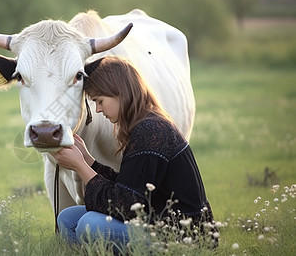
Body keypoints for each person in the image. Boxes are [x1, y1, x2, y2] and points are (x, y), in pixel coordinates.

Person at [52, 56, 215, 249]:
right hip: (153, 220)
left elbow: (126, 206)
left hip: (183, 237)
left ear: (120, 92)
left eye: (100, 101)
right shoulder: (145, 124)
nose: (97, 109)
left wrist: (80, 167)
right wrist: (88, 160)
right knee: (67, 218)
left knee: (90, 224)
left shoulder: (150, 130)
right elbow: (130, 188)